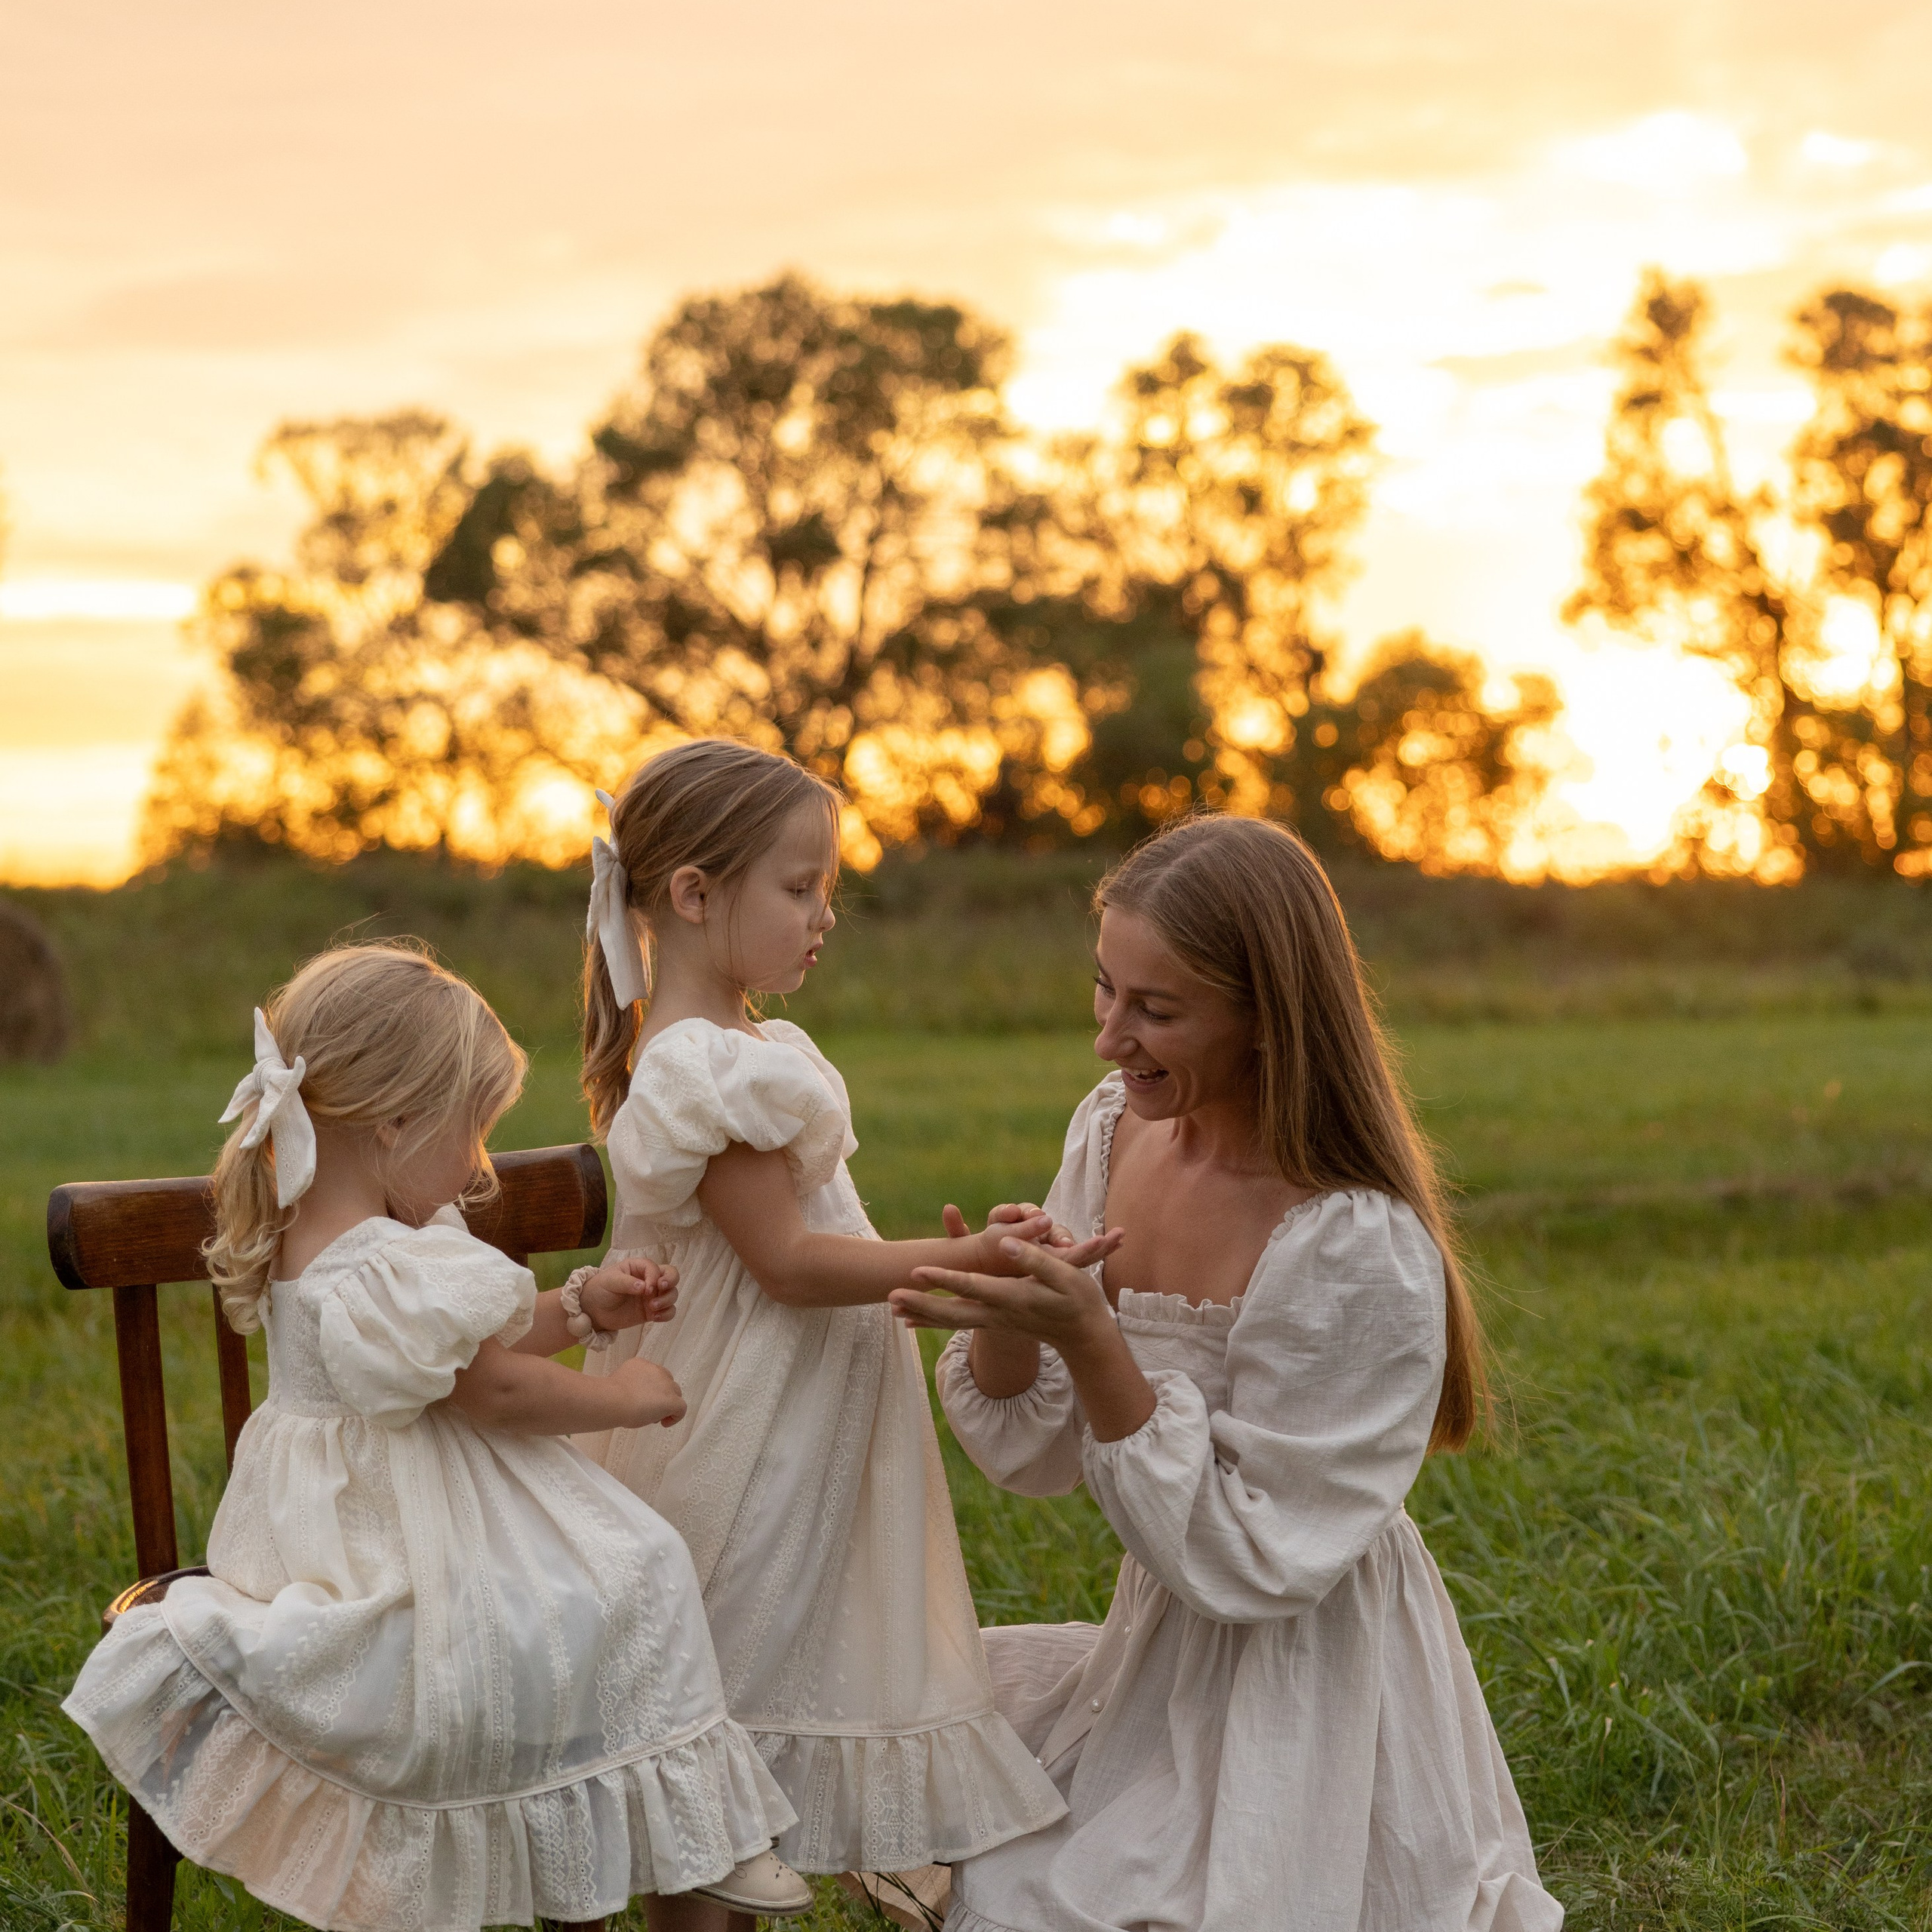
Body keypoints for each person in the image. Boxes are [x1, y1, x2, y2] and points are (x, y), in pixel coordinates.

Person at [892, 814, 1566, 1932]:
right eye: (1104, 989)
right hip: (1160, 1636)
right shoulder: (1116, 1132)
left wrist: (1098, 1343)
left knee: (1154, 1897)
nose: (1111, 1038)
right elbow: (1043, 1454)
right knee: (909, 1717)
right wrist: (1014, 1322)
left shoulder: (1352, 1243)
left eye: (1158, 1011)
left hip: (1305, 1652)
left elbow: (1253, 1559)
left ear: (1268, 1018)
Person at [64, 942, 810, 1932]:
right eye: (473, 1131)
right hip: (391, 1548)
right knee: (636, 1566)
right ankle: (682, 1836)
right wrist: (625, 1394)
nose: (479, 1163)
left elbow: (474, 1343)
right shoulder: (372, 1263)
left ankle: (636, 1842)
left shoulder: (345, 1244)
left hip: (346, 1521)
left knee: (591, 1589)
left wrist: (584, 1305)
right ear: (394, 1122)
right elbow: (496, 1391)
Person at [571, 740, 1085, 1924]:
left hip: (794, 1421)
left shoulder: (751, 1050)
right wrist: (963, 1258)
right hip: (749, 1433)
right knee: (731, 1679)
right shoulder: (705, 1068)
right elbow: (792, 1265)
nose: (825, 917)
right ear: (694, 896)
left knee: (754, 1681)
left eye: (829, 891)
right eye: (800, 890)